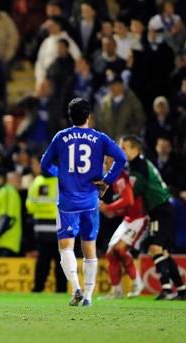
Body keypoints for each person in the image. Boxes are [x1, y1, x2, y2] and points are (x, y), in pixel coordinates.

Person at [40, 97, 126, 306]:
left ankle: (76, 288)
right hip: (90, 201)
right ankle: (87, 296)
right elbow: (121, 158)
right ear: (89, 116)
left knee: (66, 248)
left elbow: (44, 165)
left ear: (70, 117)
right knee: (89, 248)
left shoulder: (61, 137)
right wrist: (107, 181)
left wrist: (60, 173)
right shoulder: (99, 138)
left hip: (68, 202)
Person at [119, 135, 186, 300]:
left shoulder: (138, 166)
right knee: (162, 251)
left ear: (135, 149)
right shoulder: (139, 164)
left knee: (155, 248)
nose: (121, 151)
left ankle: (167, 290)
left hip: (161, 209)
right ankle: (182, 289)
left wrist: (114, 201)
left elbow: (133, 194)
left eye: (124, 148)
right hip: (161, 209)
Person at [99, 156, 147, 299]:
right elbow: (125, 204)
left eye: (108, 162)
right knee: (111, 254)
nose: (105, 165)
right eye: (104, 162)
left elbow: (129, 199)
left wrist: (108, 207)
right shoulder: (115, 180)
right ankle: (117, 291)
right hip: (128, 219)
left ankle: (138, 283)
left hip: (139, 218)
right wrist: (113, 211)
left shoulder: (121, 176)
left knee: (119, 249)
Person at [26, 154, 66, 293]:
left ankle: (38, 288)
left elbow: (30, 206)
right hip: (59, 228)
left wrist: (41, 209)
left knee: (42, 262)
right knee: (60, 262)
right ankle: (61, 290)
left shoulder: (36, 182)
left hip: (41, 230)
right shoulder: (61, 181)